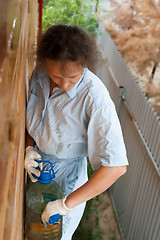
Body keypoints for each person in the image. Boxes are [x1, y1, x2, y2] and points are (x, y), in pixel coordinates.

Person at [25, 24, 128, 240]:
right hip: (35, 170)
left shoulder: (95, 98)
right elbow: (35, 116)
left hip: (64, 184)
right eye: (56, 76)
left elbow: (116, 167)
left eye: (72, 78)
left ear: (85, 64)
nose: (64, 85)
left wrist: (64, 204)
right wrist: (28, 146)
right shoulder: (41, 72)